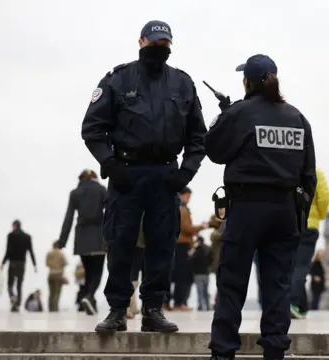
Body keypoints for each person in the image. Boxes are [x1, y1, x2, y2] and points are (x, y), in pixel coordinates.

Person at [81, 20, 207, 333]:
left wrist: (185, 174)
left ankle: (153, 309)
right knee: (120, 241)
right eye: (154, 42)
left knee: (163, 243)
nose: (159, 48)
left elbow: (198, 138)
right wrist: (109, 165)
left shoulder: (183, 83)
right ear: (140, 42)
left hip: (166, 175)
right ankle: (117, 310)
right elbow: (93, 129)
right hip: (126, 173)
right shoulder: (118, 79)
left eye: (164, 43)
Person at [204, 54, 316, 360]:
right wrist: (298, 217)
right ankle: (275, 348)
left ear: (247, 81)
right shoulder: (297, 118)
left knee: (232, 282)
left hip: (247, 207)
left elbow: (213, 149)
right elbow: (309, 176)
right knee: (277, 284)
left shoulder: (241, 113)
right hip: (284, 211)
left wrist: (224, 116)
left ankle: (224, 350)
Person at [56, 169, 107, 315]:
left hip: (82, 237)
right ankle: (90, 296)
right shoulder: (102, 190)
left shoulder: (75, 193)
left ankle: (91, 300)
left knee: (89, 271)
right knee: (97, 272)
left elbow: (69, 217)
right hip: (99, 236)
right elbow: (111, 210)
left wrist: (62, 240)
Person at [290, 168, 329, 319]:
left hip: (286, 224)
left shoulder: (285, 169)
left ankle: (301, 307)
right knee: (301, 267)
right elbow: (324, 197)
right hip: (308, 225)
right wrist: (320, 215)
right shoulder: (315, 172)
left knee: (289, 266)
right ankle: (292, 302)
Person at [169, 187, 207, 311]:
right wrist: (201, 226)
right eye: (188, 196)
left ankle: (176, 301)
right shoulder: (182, 209)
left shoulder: (179, 208)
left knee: (178, 274)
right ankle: (179, 302)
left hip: (179, 245)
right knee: (182, 275)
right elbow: (186, 228)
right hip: (182, 246)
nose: (188, 199)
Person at [0, 220, 37, 312]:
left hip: (12, 262)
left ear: (14, 226)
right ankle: (18, 303)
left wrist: (3, 263)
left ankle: (12, 296)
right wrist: (34, 264)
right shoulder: (27, 237)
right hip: (22, 263)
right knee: (19, 284)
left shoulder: (10, 236)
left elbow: (8, 251)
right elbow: (31, 251)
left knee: (10, 284)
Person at [128, 216, 146, 319]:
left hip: (135, 239)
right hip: (140, 240)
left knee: (133, 275)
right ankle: (130, 306)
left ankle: (132, 306)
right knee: (135, 276)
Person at [191, 236, 213, 311]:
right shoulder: (208, 249)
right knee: (206, 291)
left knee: (200, 291)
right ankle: (208, 306)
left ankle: (200, 306)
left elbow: (192, 260)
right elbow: (211, 259)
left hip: (198, 273)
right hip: (206, 273)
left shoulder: (197, 250)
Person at [46, 241, 68, 312]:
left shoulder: (49, 253)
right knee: (57, 293)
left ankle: (50, 308)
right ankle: (55, 309)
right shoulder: (61, 254)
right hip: (58, 275)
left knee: (51, 293)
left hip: (51, 274)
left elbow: (47, 263)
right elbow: (65, 263)